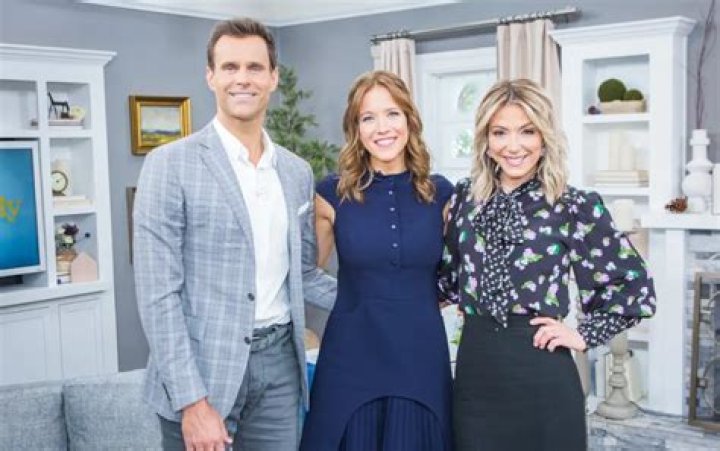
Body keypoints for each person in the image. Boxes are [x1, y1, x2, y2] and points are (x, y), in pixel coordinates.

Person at [133, 17, 336, 451]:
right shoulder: (169, 165)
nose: (242, 79)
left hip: (280, 368)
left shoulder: (296, 172)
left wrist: (387, 297)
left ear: (273, 77)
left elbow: (303, 273)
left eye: (254, 67)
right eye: (229, 67)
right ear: (211, 76)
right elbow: (158, 296)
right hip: (202, 373)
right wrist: (191, 402)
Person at [440, 78, 657, 450]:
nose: (513, 146)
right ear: (486, 141)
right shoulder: (464, 199)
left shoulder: (573, 205)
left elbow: (634, 286)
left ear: (544, 137)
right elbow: (447, 281)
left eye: (527, 131)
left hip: (542, 372)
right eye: (500, 132)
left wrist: (582, 336)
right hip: (476, 374)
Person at [299, 71, 453, 451]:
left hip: (420, 356)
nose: (382, 128)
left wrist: (432, 297)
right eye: (368, 118)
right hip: (351, 356)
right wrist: (353, 299)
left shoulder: (441, 193)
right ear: (356, 128)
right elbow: (303, 273)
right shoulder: (331, 193)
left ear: (409, 120)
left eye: (392, 114)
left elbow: (466, 271)